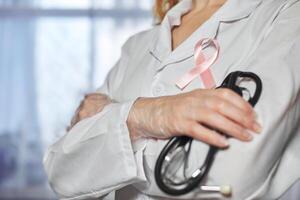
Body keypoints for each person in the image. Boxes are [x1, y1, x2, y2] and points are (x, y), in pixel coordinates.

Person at [43, 0, 300, 199]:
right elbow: (62, 171)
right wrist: (143, 115)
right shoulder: (137, 46)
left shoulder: (288, 16)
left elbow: (229, 179)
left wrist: (112, 126)